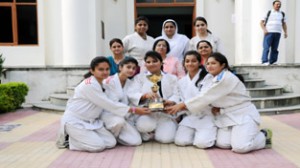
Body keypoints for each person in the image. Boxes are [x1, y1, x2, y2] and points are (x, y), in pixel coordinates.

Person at [166, 52, 272, 154]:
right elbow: (204, 96)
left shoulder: (227, 77)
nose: (210, 66)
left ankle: (263, 136)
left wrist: (182, 105)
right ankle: (243, 136)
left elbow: (205, 97)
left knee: (240, 147)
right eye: (208, 63)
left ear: (223, 65)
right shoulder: (209, 78)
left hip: (243, 115)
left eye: (213, 63)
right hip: (225, 115)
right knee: (223, 143)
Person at [56, 56, 150, 152]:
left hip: (93, 121)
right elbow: (109, 104)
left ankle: (88, 137)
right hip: (76, 121)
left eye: (107, 69)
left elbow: (114, 100)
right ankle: (70, 140)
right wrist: (134, 110)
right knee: (98, 146)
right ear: (92, 71)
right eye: (101, 69)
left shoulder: (104, 85)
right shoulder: (89, 85)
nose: (105, 72)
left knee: (111, 143)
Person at [128, 51, 180, 143]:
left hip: (165, 114)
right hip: (147, 113)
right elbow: (131, 93)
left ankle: (166, 128)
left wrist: (169, 101)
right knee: (144, 126)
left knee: (165, 139)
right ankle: (147, 132)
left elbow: (177, 94)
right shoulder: (139, 78)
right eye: (148, 62)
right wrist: (144, 96)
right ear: (145, 64)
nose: (151, 64)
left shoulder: (172, 78)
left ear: (161, 62)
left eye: (154, 61)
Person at [174, 50, 217, 148]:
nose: (190, 63)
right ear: (184, 63)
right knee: (181, 141)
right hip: (190, 116)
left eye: (193, 61)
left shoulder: (208, 78)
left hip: (206, 115)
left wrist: (182, 105)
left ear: (199, 62)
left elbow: (204, 98)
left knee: (202, 144)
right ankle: (198, 134)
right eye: (187, 61)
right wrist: (172, 104)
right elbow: (179, 98)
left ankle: (207, 134)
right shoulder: (182, 81)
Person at [102, 57, 147, 146]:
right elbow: (112, 104)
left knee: (136, 141)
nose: (131, 70)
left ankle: (115, 136)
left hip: (125, 115)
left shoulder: (131, 83)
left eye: (134, 68)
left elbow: (132, 100)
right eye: (128, 67)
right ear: (120, 68)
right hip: (108, 115)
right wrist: (134, 110)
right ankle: (108, 135)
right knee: (118, 122)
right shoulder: (109, 81)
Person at [260, 0, 287, 65]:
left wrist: (285, 32)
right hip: (269, 32)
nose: (278, 5)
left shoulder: (282, 13)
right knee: (266, 47)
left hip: (277, 32)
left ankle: (272, 61)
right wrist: (264, 30)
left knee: (275, 48)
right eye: (277, 4)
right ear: (273, 5)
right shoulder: (269, 12)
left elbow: (284, 24)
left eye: (279, 4)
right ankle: (264, 61)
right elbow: (261, 22)